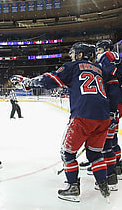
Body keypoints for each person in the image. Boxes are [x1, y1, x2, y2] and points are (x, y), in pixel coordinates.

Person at [10, 42, 111, 202]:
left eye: (73, 54)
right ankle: (103, 184)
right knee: (95, 154)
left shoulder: (72, 67)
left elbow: (49, 80)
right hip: (104, 117)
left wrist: (27, 82)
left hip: (83, 116)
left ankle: (73, 187)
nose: (71, 57)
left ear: (79, 55)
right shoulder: (99, 70)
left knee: (67, 153)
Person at [92, 39, 122, 189]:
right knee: (112, 138)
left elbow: (113, 86)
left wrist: (112, 110)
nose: (98, 52)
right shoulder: (115, 62)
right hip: (116, 104)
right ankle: (117, 167)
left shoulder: (107, 58)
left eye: (99, 49)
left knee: (107, 142)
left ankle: (110, 174)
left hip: (112, 105)